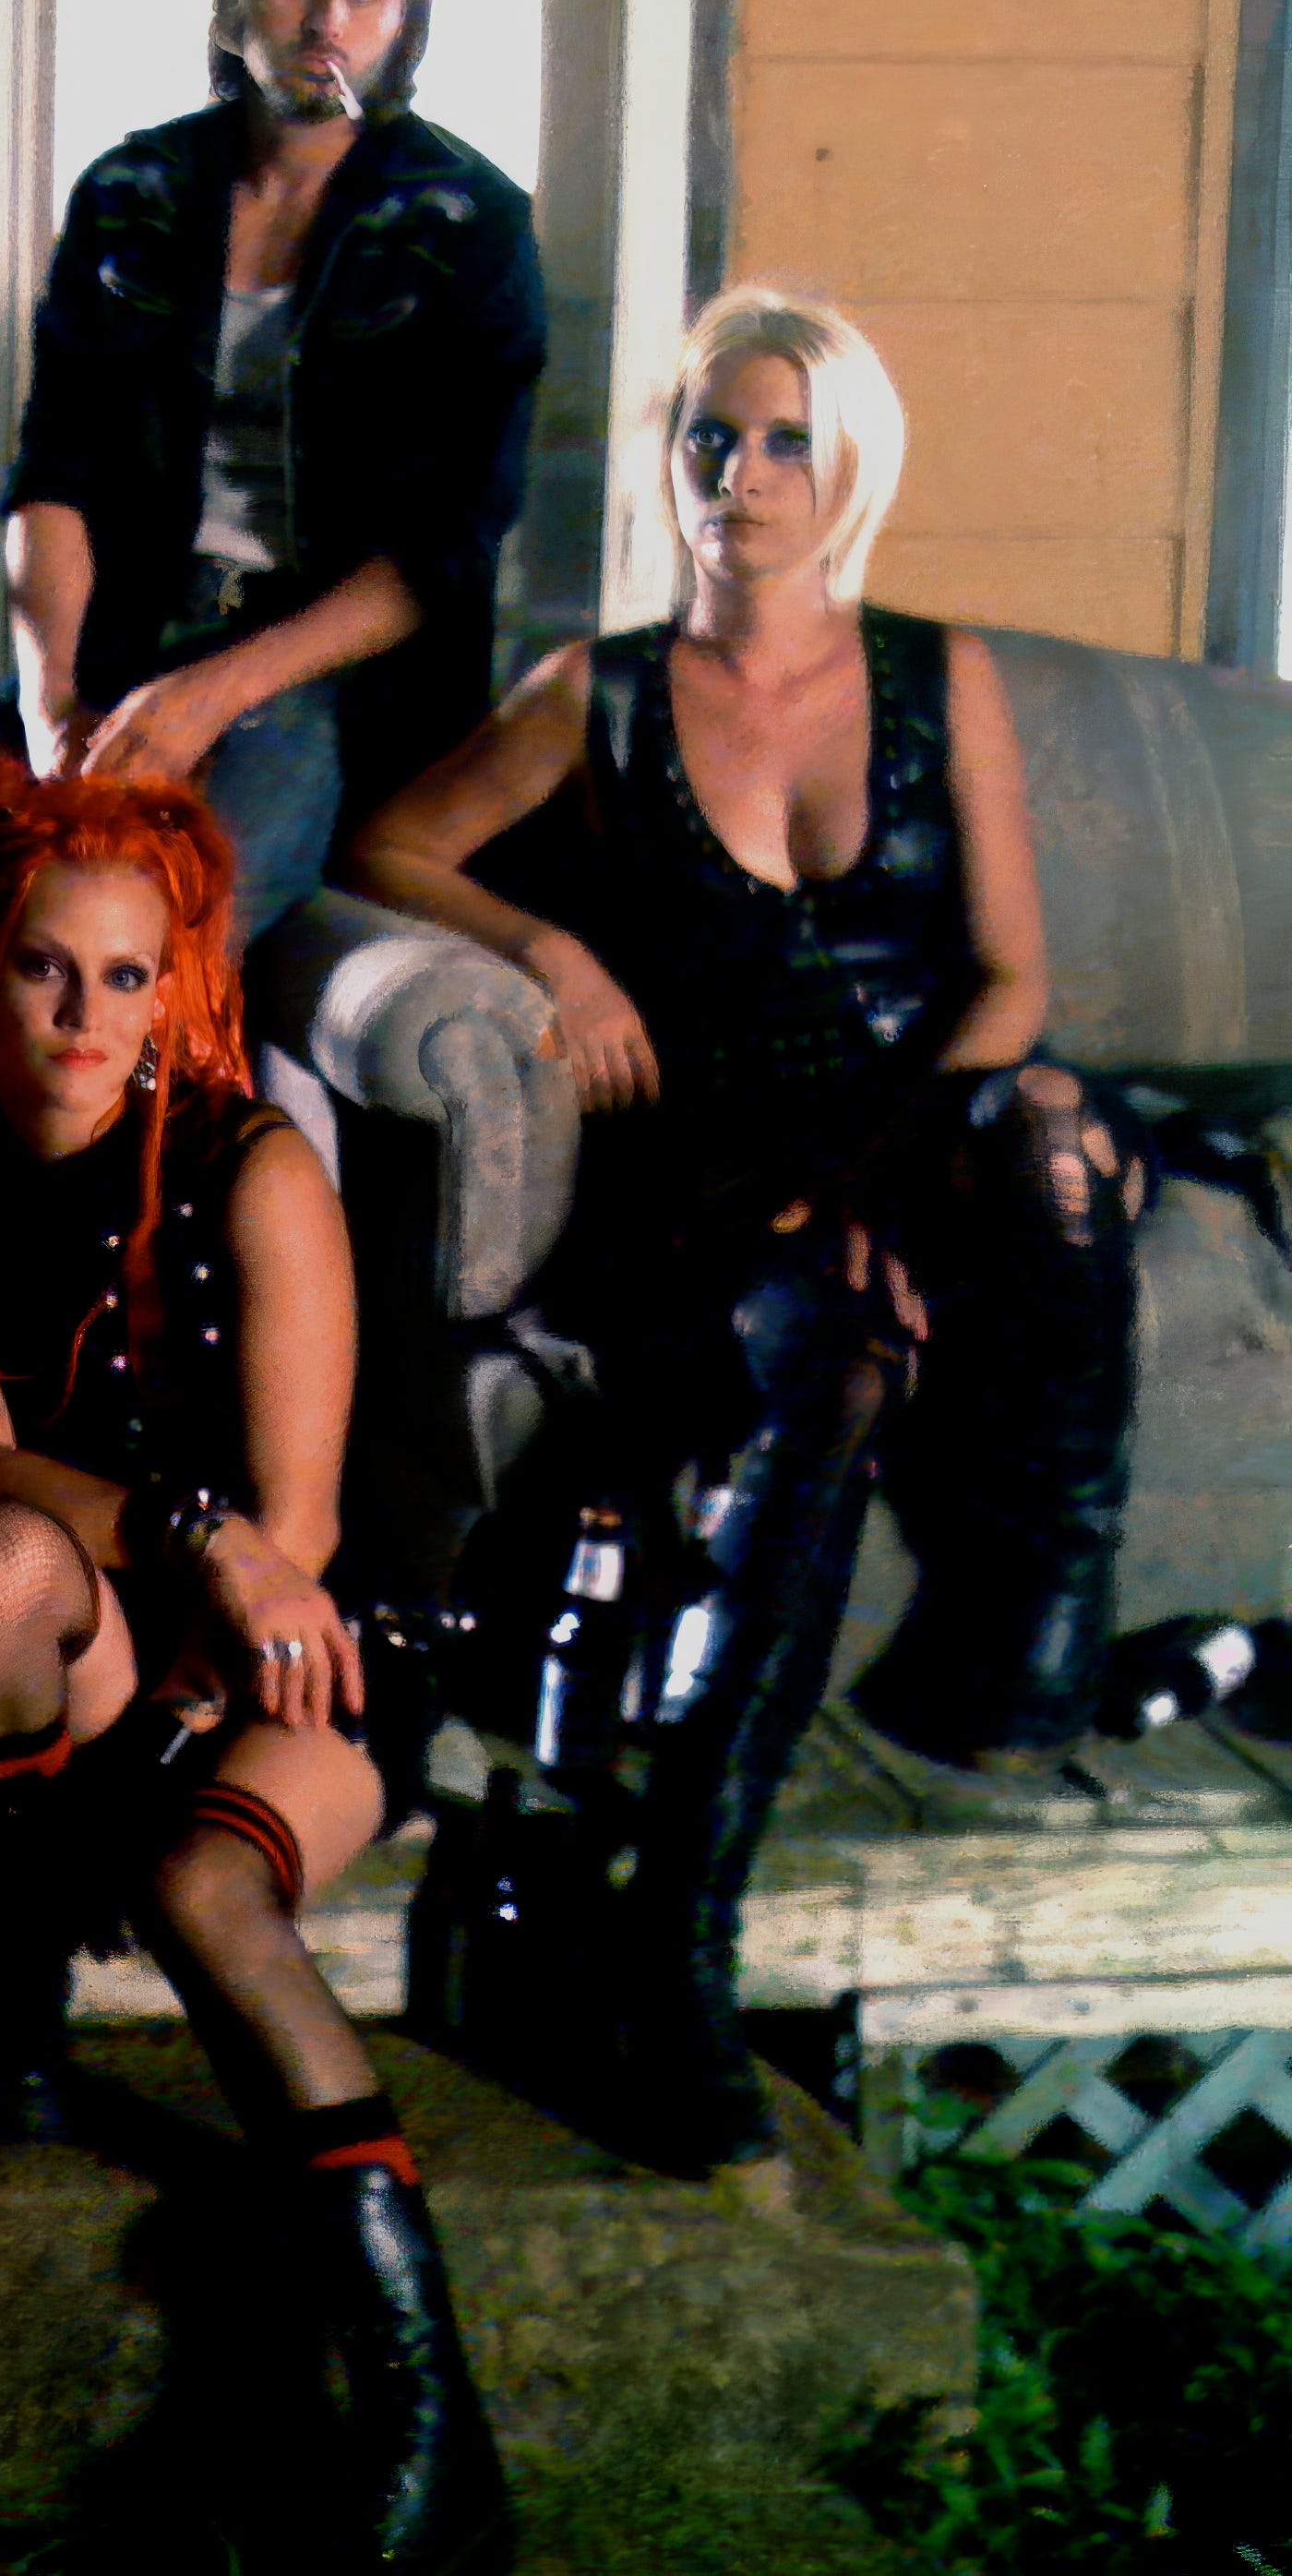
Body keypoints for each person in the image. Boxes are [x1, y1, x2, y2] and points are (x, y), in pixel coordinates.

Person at [341, 287, 1141, 2176]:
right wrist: (549, 948)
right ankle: (675, 1938)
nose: (742, 475)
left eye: (785, 440)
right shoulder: (596, 694)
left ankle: (1022, 1641)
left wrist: (870, 1180)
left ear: (847, 466)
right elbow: (380, 848)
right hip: (702, 1173)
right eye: (712, 436)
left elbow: (1010, 979)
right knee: (829, 1346)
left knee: (1053, 1135)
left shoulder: (938, 674)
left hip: (916, 1129)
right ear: (671, 460)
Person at [0, 756, 507, 2573]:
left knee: (199, 1885)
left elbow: (296, 1528)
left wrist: (190, 1680)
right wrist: (171, 1535)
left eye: (124, 977)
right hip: (118, 1600)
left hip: (302, 1637)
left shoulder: (251, 1163)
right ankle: (6, 2009)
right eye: (43, 968)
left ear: (175, 993)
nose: (81, 1017)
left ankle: (424, 2410)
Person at [0, 0, 543, 946]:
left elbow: (445, 548)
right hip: (117, 646)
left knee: (148, 933)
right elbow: (55, 475)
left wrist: (209, 695)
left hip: (325, 675)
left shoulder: (469, 223)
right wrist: (51, 705)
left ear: (404, 25)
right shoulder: (129, 194)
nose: (326, 19)